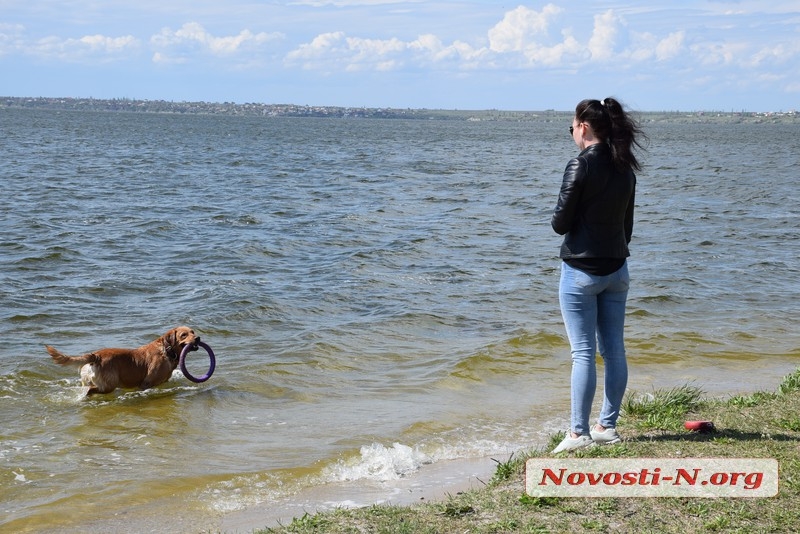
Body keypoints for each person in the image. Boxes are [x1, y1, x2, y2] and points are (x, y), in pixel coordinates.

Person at [550, 97, 646, 453]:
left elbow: (559, 224)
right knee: (614, 350)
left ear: (584, 127)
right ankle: (607, 425)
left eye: (572, 126)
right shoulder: (626, 168)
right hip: (617, 269)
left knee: (583, 353)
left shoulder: (580, 166)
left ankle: (578, 434)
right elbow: (628, 229)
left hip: (581, 272)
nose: (572, 132)